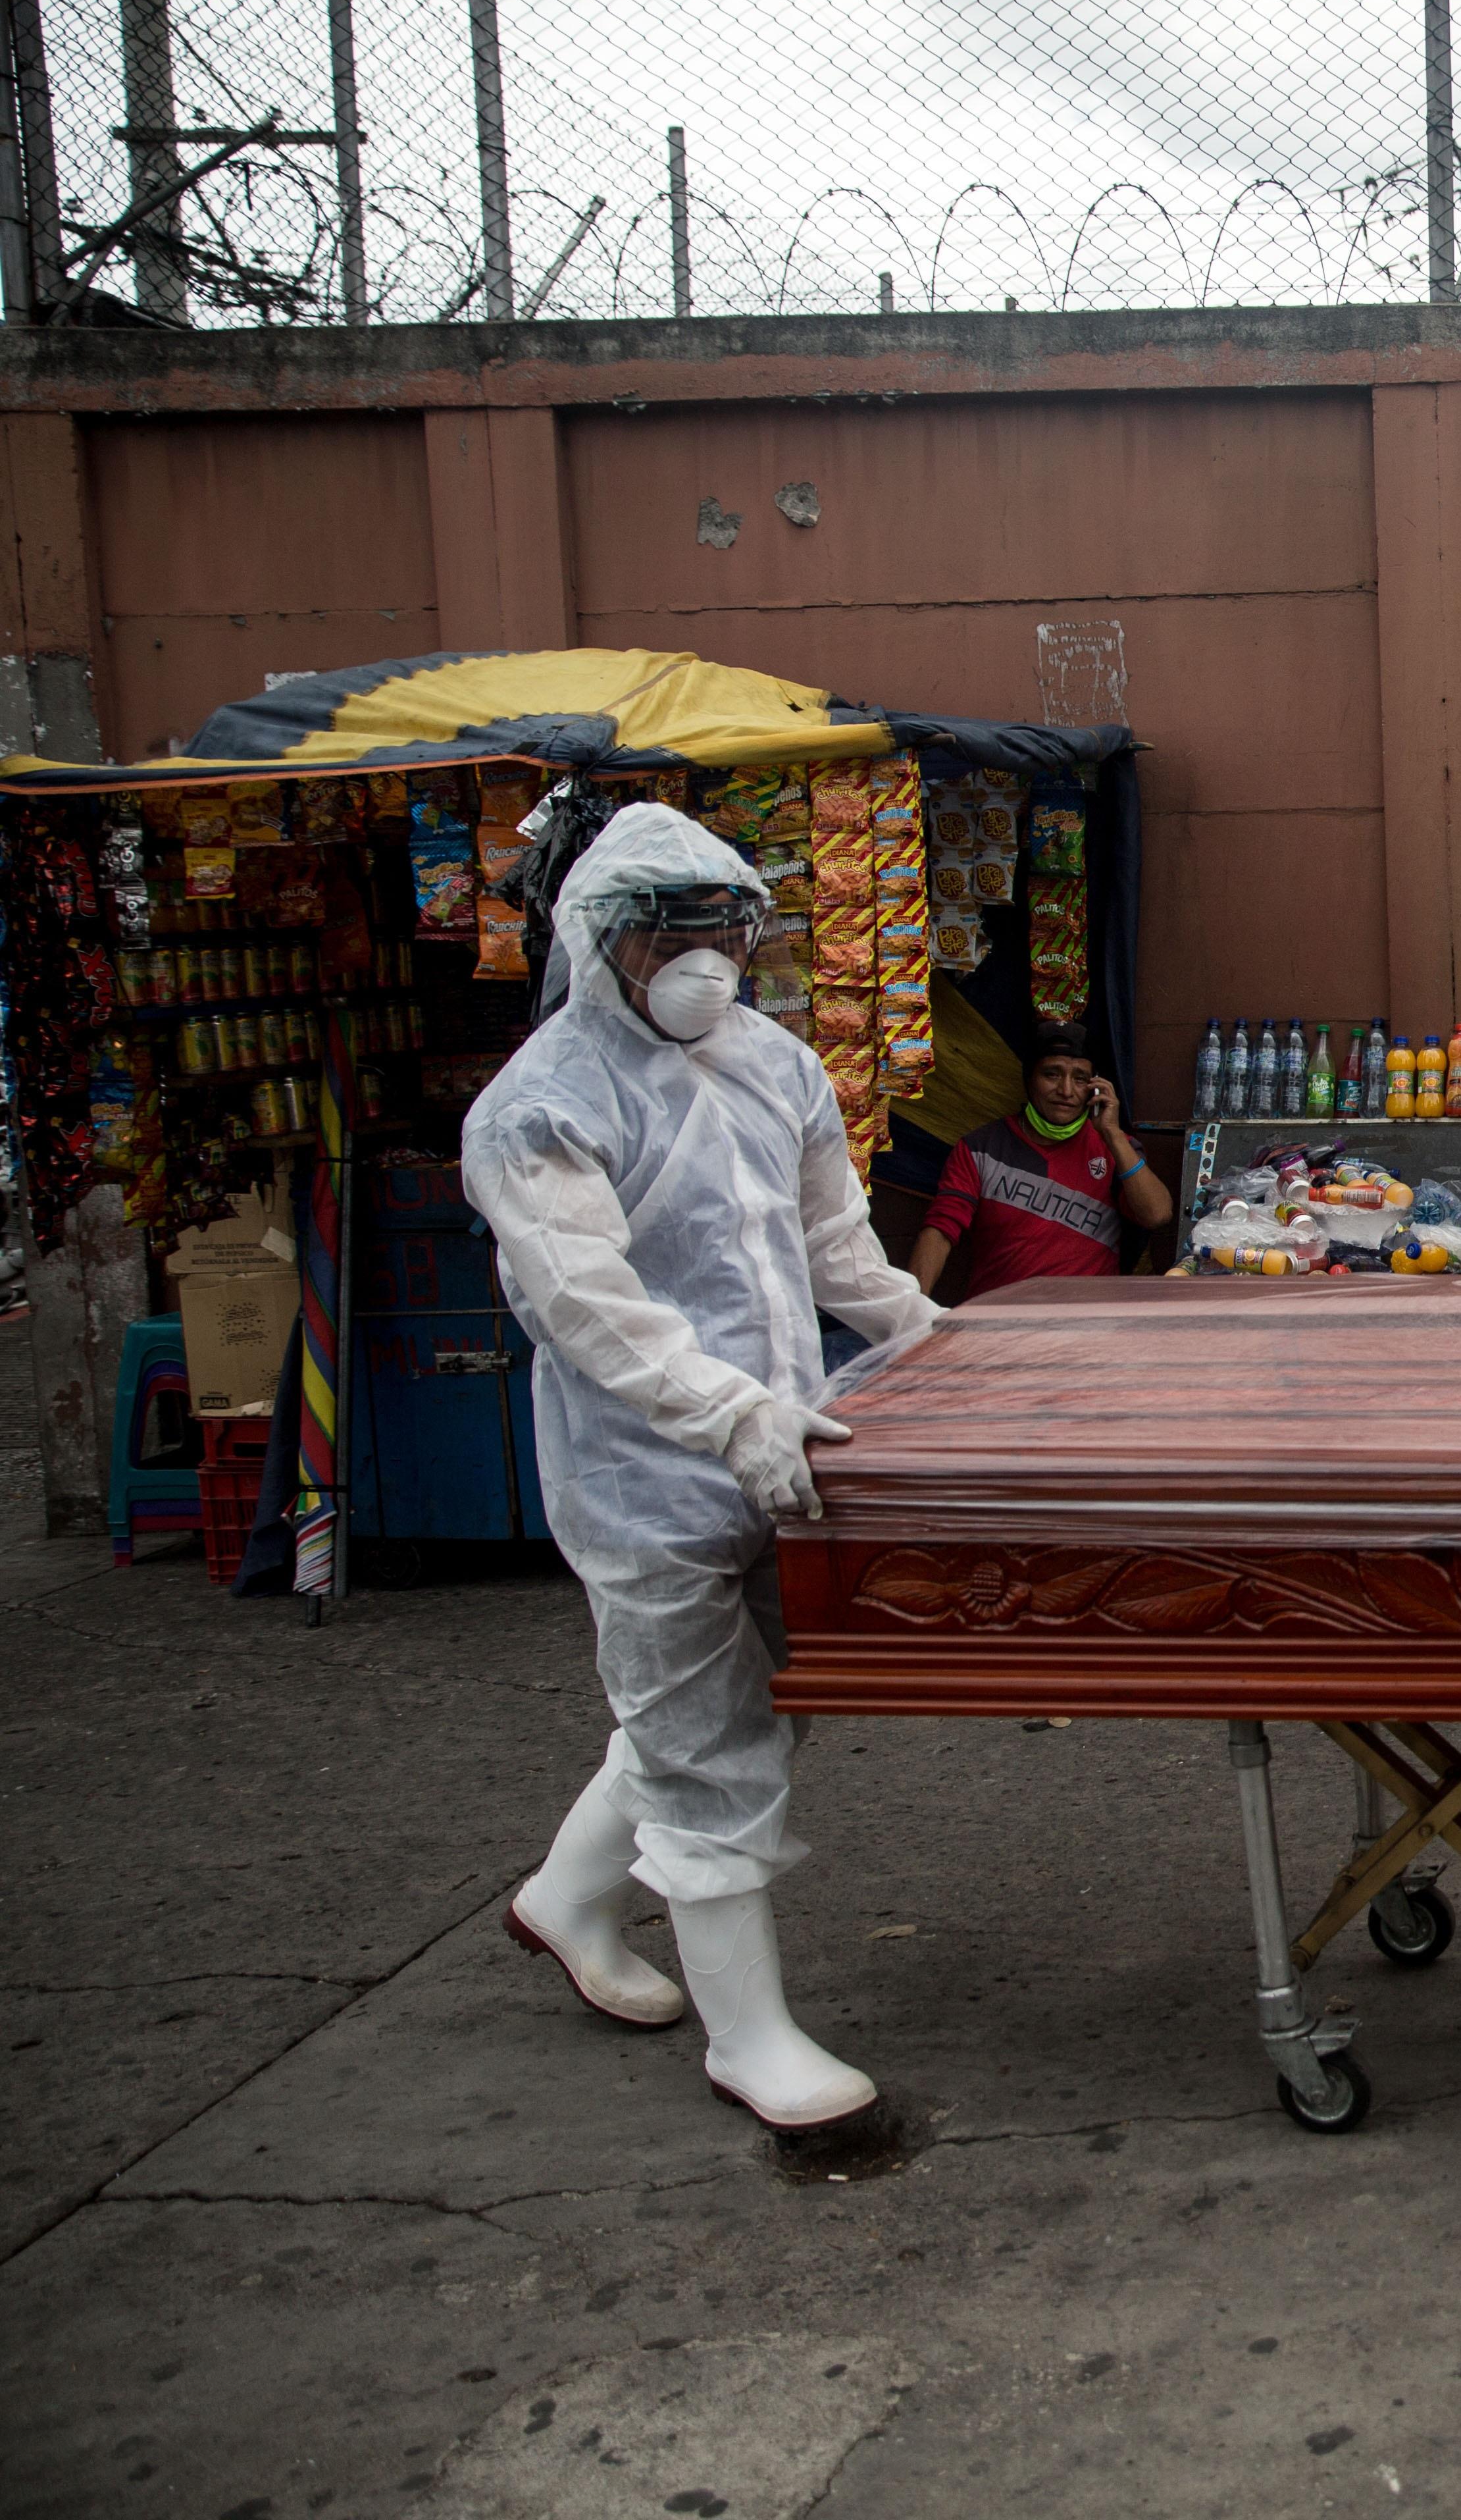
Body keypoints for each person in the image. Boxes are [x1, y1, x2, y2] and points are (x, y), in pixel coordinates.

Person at [472, 804, 940, 2134]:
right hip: (648, 1471)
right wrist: (728, 1413)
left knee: (771, 1691)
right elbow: (589, 1304)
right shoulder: (540, 1108)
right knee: (700, 1738)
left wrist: (931, 1341)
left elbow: (833, 1248)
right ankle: (751, 2040)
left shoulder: (776, 1065)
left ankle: (565, 1898)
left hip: (790, 1444)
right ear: (603, 941)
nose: (702, 961)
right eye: (669, 934)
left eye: (724, 930)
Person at [907, 1021, 1174, 1298]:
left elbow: (1157, 1215)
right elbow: (939, 1232)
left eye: (1081, 1079)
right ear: (1030, 1079)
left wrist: (1112, 1134)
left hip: (1087, 1323)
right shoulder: (980, 1149)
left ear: (1095, 1089)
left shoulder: (1116, 1148)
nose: (1066, 1091)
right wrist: (912, 1311)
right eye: (1052, 1074)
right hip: (999, 1323)